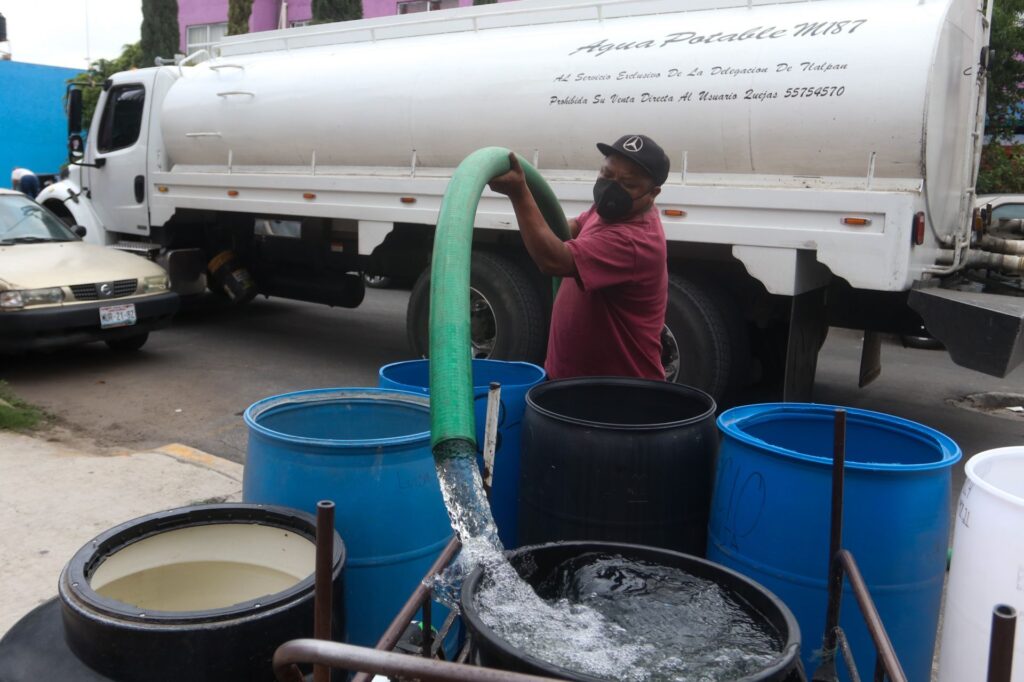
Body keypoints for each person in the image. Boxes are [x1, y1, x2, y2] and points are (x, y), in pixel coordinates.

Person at [488, 134, 670, 380]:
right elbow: (566, 229)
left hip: (619, 393)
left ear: (653, 193)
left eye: (628, 184)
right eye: (606, 175)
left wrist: (519, 194)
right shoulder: (610, 210)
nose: (612, 187)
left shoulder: (634, 240)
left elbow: (554, 260)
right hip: (577, 383)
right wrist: (530, 196)